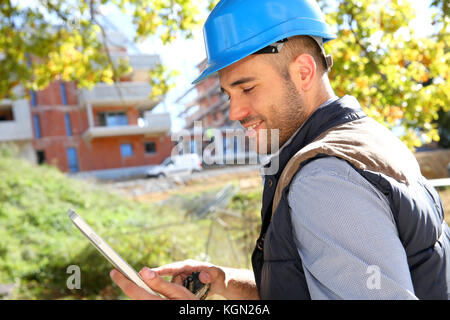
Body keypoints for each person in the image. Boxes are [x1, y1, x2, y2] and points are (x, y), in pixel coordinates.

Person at [110, 0, 450, 299]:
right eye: (230, 94)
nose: (234, 112)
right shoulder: (366, 138)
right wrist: (227, 283)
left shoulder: (324, 180)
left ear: (303, 72)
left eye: (247, 88)